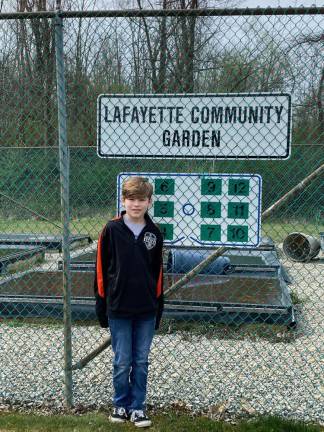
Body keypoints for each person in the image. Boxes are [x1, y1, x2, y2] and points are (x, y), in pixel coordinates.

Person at [94, 176, 164, 428]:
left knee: (141, 361)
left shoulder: (154, 233)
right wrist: (102, 307)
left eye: (141, 200)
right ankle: (120, 404)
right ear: (123, 200)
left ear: (149, 202)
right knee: (122, 361)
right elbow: (101, 271)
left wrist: (158, 308)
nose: (136, 204)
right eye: (131, 199)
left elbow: (158, 275)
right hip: (119, 309)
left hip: (146, 309)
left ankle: (138, 408)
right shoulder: (111, 230)